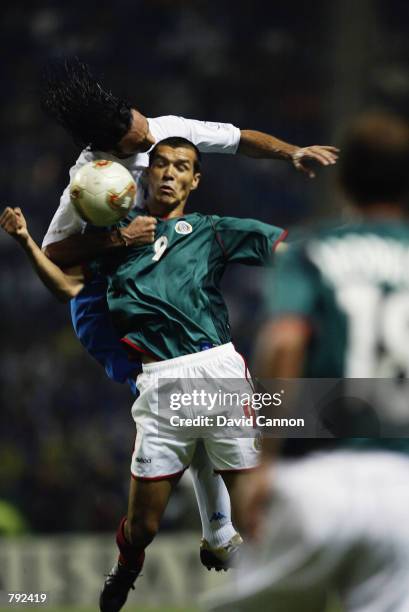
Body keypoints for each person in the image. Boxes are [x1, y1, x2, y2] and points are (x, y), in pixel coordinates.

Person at [38, 57, 339, 570]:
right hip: (102, 297)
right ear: (116, 151)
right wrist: (114, 236)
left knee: (193, 392)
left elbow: (239, 138)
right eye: (142, 144)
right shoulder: (88, 179)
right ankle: (211, 529)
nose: (151, 139)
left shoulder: (165, 129)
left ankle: (218, 530)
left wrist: (292, 152)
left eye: (143, 124)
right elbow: (54, 255)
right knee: (181, 395)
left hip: (164, 271)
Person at [1, 135, 288, 612]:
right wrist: (26, 241)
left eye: (183, 166)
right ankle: (128, 567)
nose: (171, 173)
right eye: (162, 165)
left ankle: (241, 560)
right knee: (143, 528)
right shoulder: (115, 237)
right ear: (145, 176)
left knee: (255, 515)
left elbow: (281, 244)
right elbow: (65, 288)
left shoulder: (210, 229)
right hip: (160, 383)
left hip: (219, 369)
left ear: (195, 180)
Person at [204, 112, 409, 612]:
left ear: (342, 181)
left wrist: (263, 464)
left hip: (317, 480)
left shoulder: (314, 251)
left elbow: (284, 342)